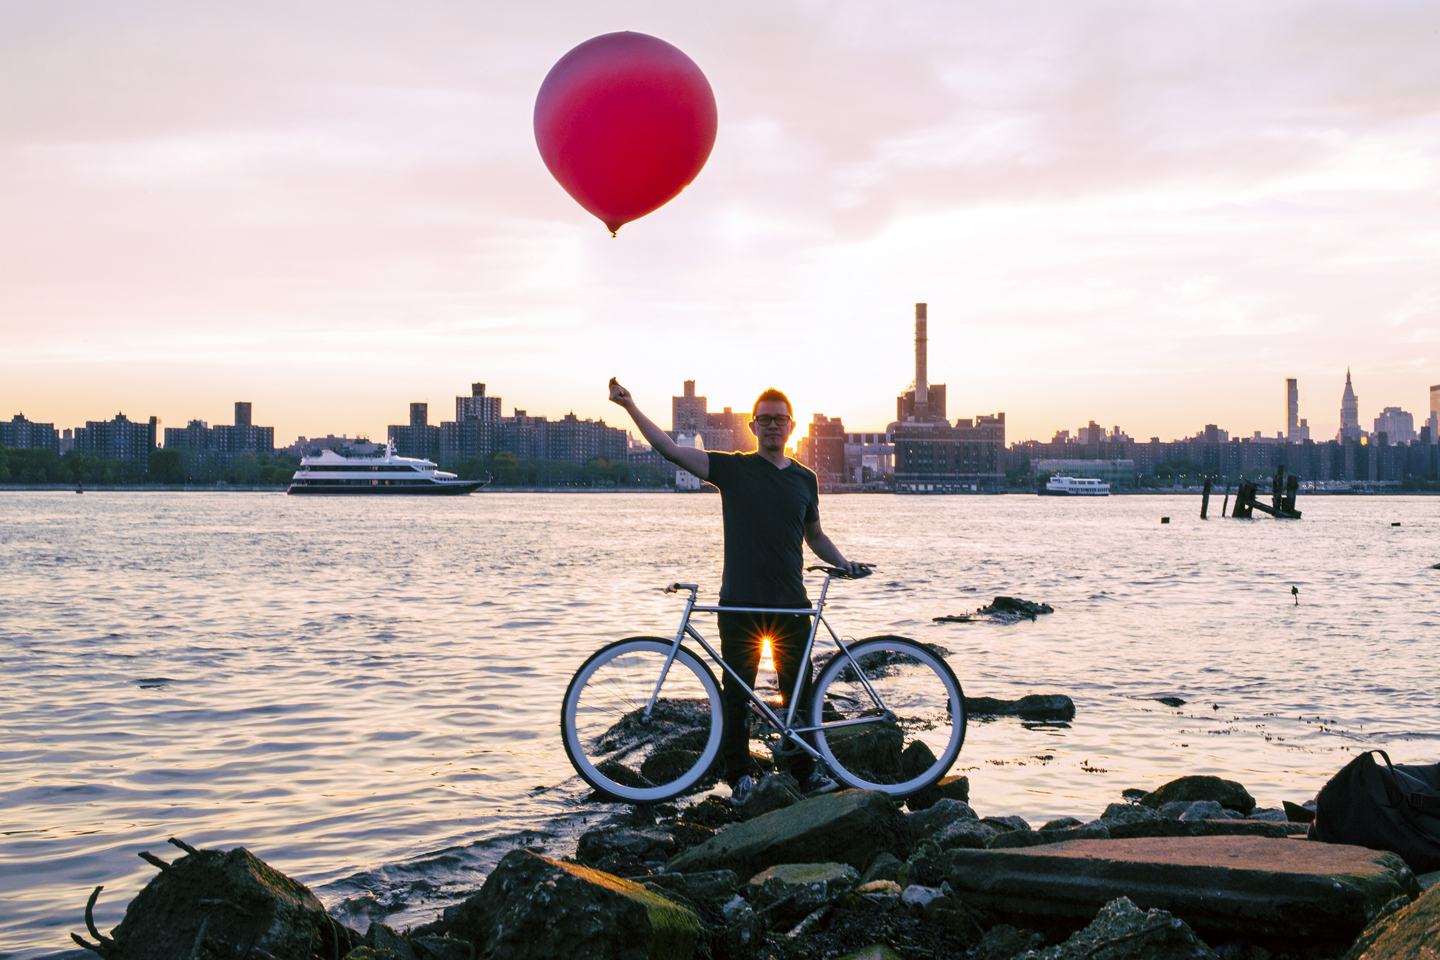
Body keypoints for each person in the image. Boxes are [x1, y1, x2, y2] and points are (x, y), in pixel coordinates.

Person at [608, 377, 868, 802]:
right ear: (753, 426)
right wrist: (630, 407)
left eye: (778, 419)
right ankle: (740, 777)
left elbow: (815, 537)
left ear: (791, 426)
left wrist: (844, 563)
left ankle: (804, 772)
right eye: (763, 419)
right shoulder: (733, 468)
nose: (771, 426)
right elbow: (671, 450)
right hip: (740, 602)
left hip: (792, 605)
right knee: (736, 696)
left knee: (798, 694)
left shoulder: (805, 479)